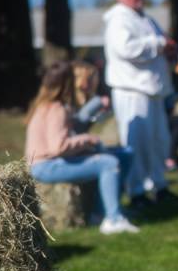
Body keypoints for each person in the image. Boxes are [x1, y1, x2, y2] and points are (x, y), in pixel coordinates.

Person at [103, 0, 178, 208]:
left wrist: (175, 54)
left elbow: (164, 43)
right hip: (131, 91)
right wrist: (159, 45)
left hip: (153, 90)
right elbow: (126, 49)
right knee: (137, 143)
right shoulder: (119, 19)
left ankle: (159, 186)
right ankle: (137, 192)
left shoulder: (145, 19)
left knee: (158, 141)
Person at [25, 60, 139, 235]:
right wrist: (88, 140)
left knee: (123, 155)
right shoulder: (56, 109)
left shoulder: (46, 105)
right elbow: (58, 147)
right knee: (108, 163)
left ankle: (104, 212)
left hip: (48, 162)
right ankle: (113, 219)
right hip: (46, 166)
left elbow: (74, 125)